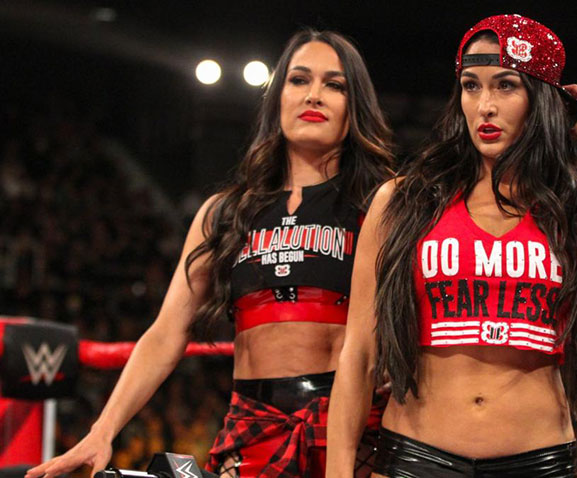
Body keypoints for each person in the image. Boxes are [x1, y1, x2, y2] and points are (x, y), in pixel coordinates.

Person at [326, 14, 577, 478]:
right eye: (471, 86)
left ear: (539, 99)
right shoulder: (404, 201)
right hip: (418, 457)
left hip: (536, 460)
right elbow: (359, 354)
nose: (485, 105)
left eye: (505, 86)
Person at [26, 28, 393, 478]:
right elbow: (166, 333)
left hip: (351, 429)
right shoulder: (225, 213)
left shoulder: (380, 206)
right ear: (277, 98)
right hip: (253, 427)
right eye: (299, 80)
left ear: (355, 107)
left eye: (334, 85)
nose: (313, 95)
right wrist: (102, 430)